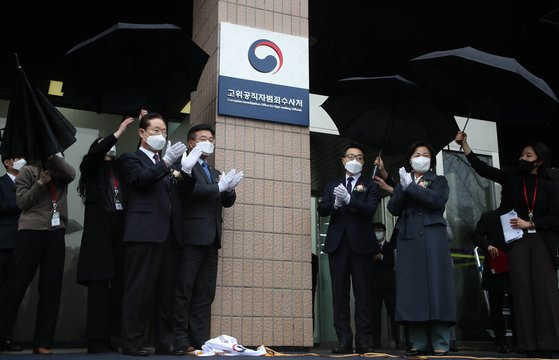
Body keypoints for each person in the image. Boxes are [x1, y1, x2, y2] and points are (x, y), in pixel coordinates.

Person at [456, 131, 559, 358]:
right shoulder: (512, 177)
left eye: (528, 155)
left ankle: (549, 343)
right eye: (522, 153)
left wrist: (530, 223)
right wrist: (465, 145)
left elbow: (555, 217)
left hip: (540, 239)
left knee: (544, 291)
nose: (523, 157)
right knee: (520, 292)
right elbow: (484, 170)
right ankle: (528, 344)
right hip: (516, 241)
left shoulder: (551, 184)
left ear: (539, 160)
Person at [116, 112, 202, 356]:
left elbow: (182, 193)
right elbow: (140, 180)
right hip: (143, 233)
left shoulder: (169, 164)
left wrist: (185, 171)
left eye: (164, 131)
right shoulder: (129, 159)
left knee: (167, 292)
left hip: (170, 235)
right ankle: (131, 342)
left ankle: (166, 342)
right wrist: (165, 163)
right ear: (141, 133)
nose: (161, 135)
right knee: (138, 290)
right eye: (155, 130)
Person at [173, 124, 242, 353]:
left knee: (205, 293)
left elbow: (225, 201)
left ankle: (199, 338)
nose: (209, 142)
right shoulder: (186, 167)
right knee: (184, 290)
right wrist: (219, 187)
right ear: (191, 143)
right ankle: (181, 339)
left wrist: (229, 189)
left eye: (211, 139)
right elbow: (193, 191)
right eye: (203, 138)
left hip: (212, 239)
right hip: (191, 238)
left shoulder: (213, 171)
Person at [0, 153, 75, 354]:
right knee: (16, 285)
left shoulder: (61, 170)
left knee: (51, 288)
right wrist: (40, 182)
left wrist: (53, 158)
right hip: (30, 232)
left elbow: (71, 173)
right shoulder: (27, 171)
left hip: (56, 232)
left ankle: (43, 342)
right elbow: (23, 203)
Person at [387, 141, 456, 356]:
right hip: (408, 238)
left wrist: (412, 188)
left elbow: (436, 202)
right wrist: (402, 188)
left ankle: (441, 342)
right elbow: (393, 208)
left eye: (426, 154)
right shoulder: (404, 181)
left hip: (433, 237)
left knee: (437, 287)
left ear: (431, 160)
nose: (421, 157)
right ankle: (417, 341)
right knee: (412, 290)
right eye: (417, 154)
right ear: (409, 159)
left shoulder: (439, 180)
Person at [76, 115, 135, 353]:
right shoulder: (91, 169)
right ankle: (96, 340)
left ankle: (112, 335)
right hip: (99, 238)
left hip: (119, 236)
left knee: (118, 289)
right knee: (99, 290)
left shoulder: (119, 170)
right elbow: (92, 157)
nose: (110, 150)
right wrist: (118, 132)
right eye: (105, 146)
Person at [317, 144, 381, 354]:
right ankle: (344, 340)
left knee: (363, 294)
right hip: (338, 245)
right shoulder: (332, 184)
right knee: (339, 295)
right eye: (351, 156)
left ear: (363, 162)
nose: (355, 160)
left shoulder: (369, 185)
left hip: (362, 246)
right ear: (343, 160)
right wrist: (335, 203)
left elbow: (370, 209)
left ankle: (364, 341)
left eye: (360, 157)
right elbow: (322, 208)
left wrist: (350, 200)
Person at [472, 209, 513, 353]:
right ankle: (501, 341)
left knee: (517, 304)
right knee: (496, 305)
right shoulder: (489, 216)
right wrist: (487, 246)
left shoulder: (519, 216)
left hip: (515, 264)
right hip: (497, 263)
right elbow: (476, 235)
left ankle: (519, 340)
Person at [0, 155, 25, 353]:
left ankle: (6, 337)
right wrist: (23, 202)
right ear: (7, 162)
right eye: (17, 158)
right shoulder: (1, 184)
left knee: (14, 294)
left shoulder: (29, 185)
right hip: (4, 243)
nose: (22, 160)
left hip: (23, 244)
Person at [370, 222, 396, 349]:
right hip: (374, 286)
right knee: (375, 316)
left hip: (389, 286)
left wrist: (380, 257)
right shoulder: (370, 247)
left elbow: (391, 262)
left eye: (380, 230)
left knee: (394, 314)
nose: (378, 233)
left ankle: (398, 342)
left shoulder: (390, 246)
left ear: (385, 232)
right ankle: (376, 343)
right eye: (375, 231)